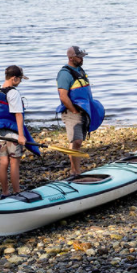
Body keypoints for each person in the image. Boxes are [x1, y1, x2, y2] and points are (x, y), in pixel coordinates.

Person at [0, 66, 40, 198]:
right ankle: (17, 192)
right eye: (20, 79)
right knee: (14, 163)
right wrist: (21, 136)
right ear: (14, 78)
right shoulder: (13, 93)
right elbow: (18, 115)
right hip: (12, 133)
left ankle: (5, 193)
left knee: (4, 162)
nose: (20, 82)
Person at [56, 46, 105, 176]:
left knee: (77, 142)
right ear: (71, 58)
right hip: (72, 112)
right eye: (79, 57)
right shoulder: (65, 74)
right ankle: (75, 171)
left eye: (82, 57)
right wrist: (74, 110)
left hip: (83, 110)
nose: (82, 59)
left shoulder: (80, 71)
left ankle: (76, 170)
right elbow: (63, 96)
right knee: (76, 141)